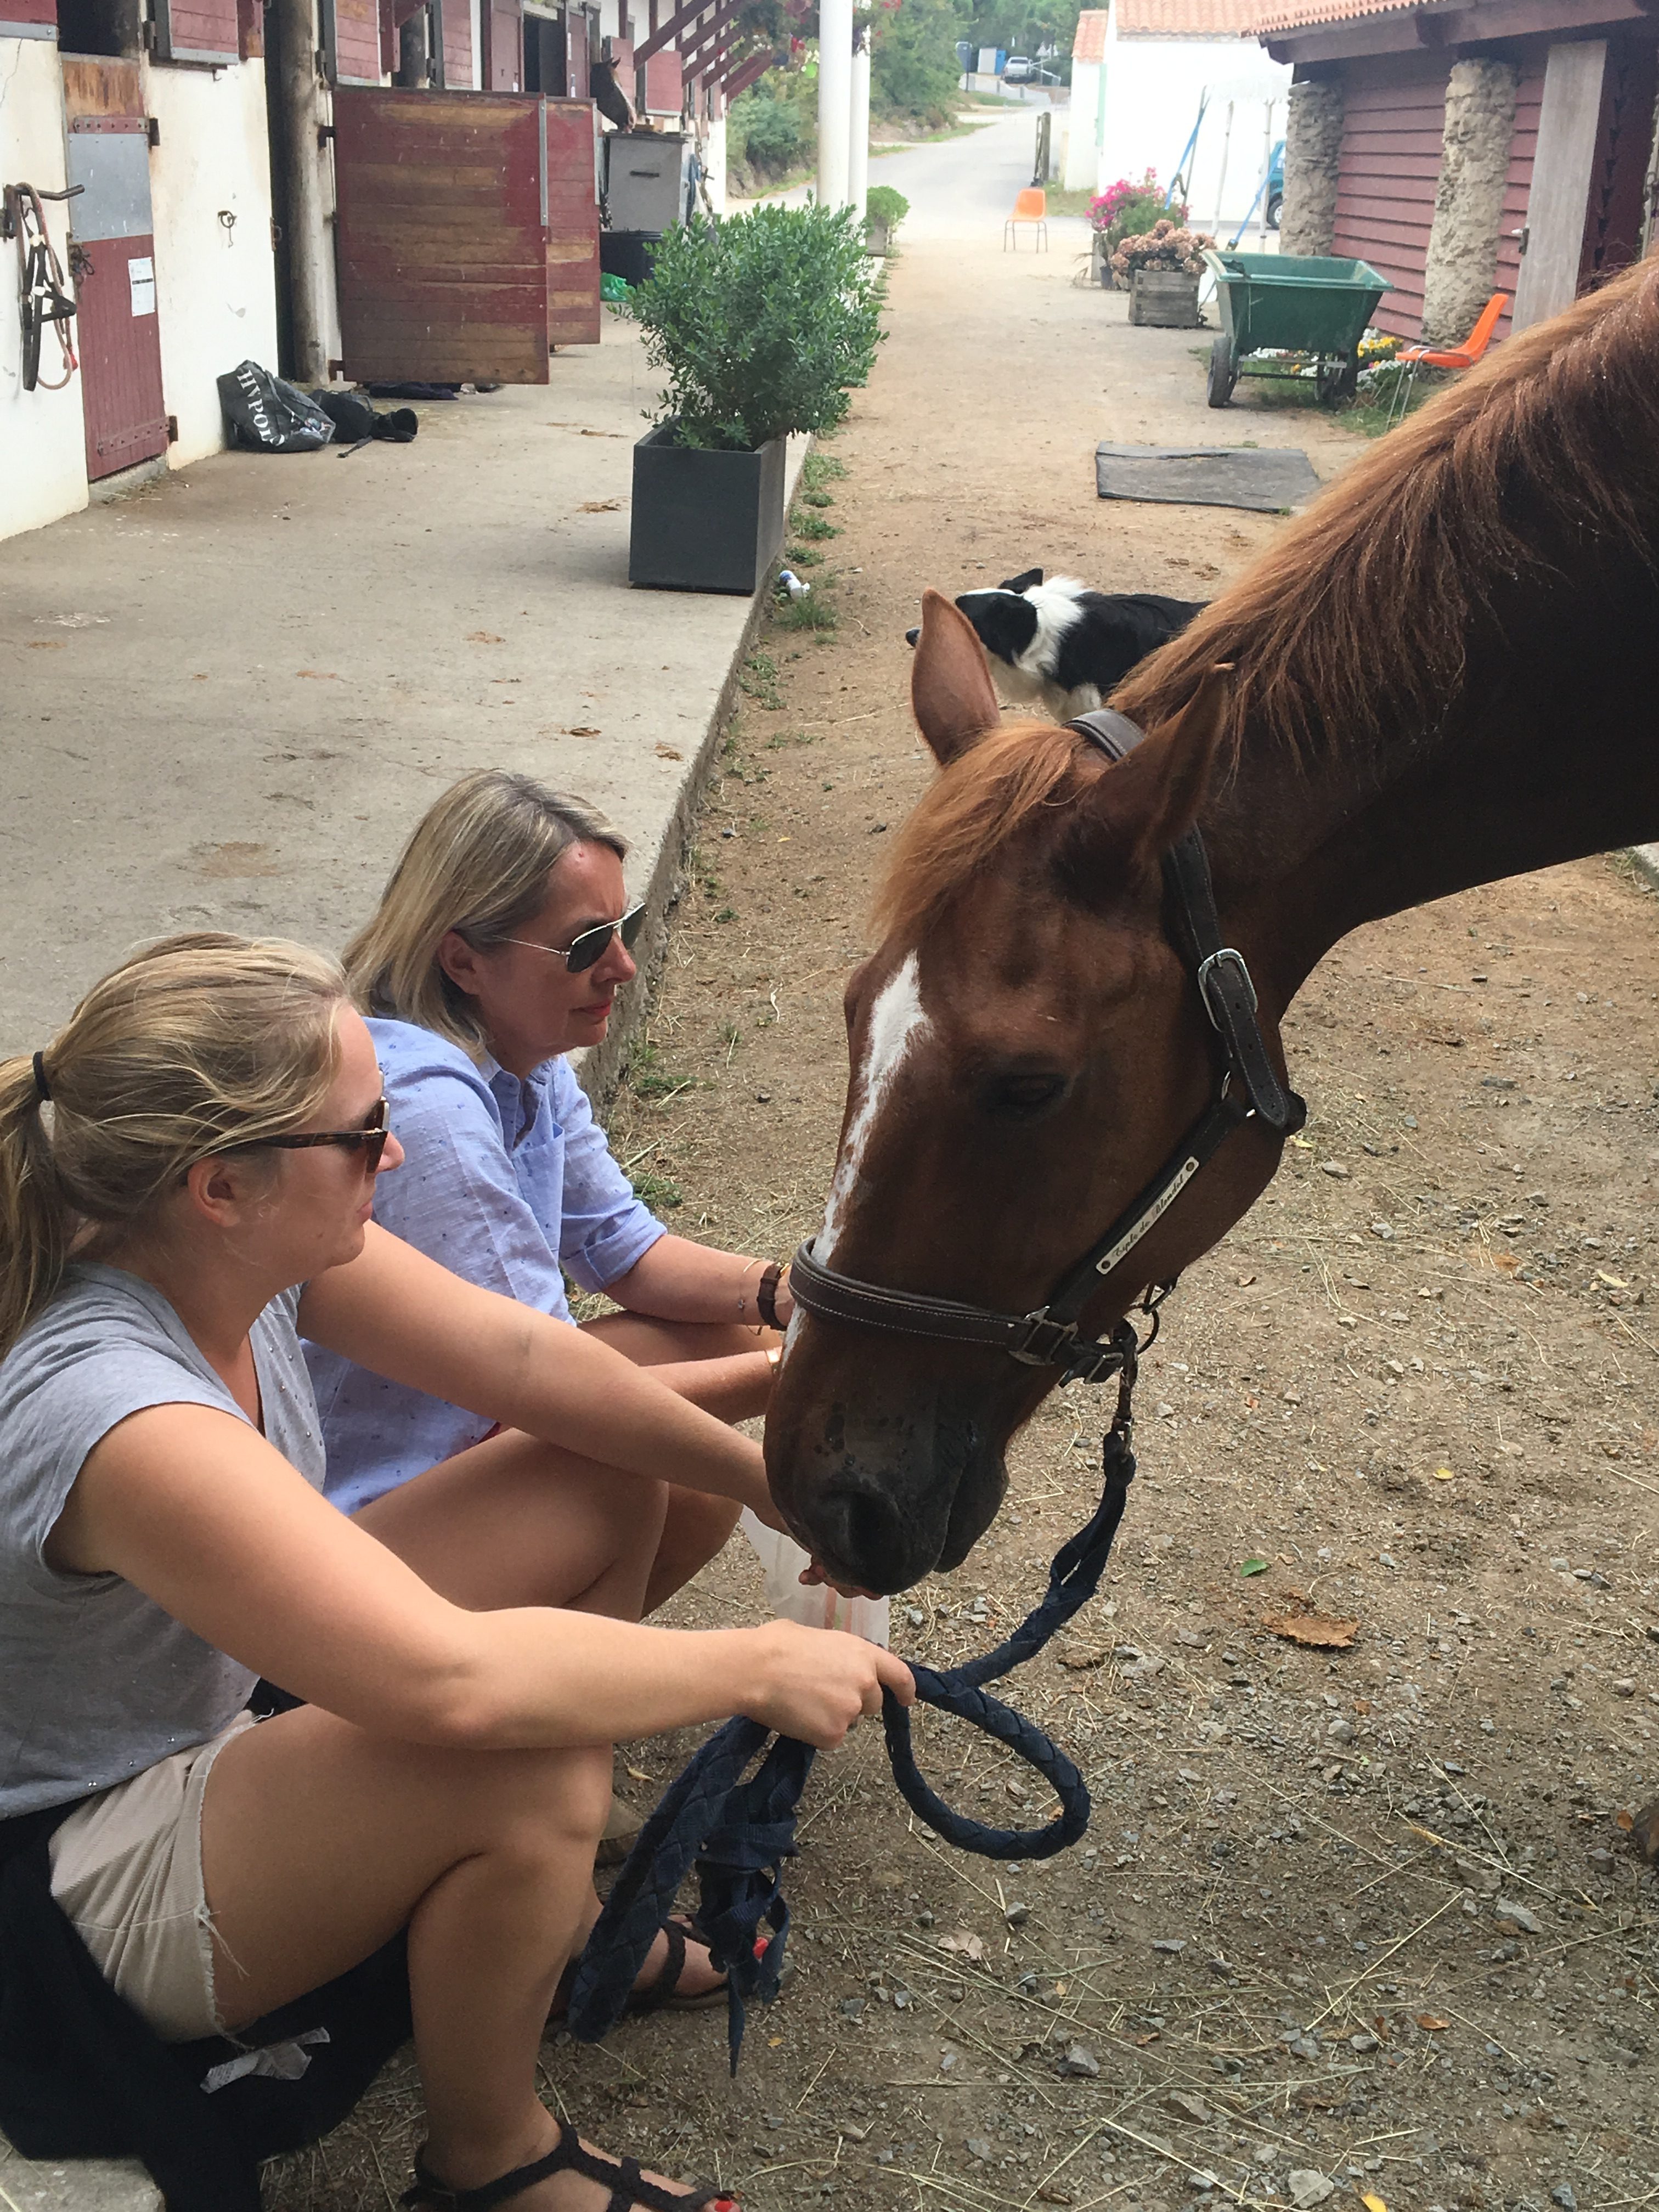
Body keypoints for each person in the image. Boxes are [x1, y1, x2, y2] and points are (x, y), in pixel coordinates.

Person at [0, 933, 912, 2212]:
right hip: (66, 1868)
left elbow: (534, 1366)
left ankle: (539, 1916)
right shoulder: (122, 1413)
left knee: (604, 1474)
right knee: (524, 1757)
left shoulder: (219, 1242)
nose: (396, 1157)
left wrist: (764, 1477)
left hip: (211, 1692)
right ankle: (492, 2158)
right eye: (364, 1133)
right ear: (222, 1185)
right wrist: (753, 1665)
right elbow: (453, 1685)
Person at [311, 772, 798, 1625]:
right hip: (356, 1506)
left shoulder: (520, 1057)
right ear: (463, 960)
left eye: (624, 928)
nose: (623, 966)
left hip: (462, 1429)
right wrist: (789, 1386)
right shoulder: (428, 1113)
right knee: (626, 1478)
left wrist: (792, 1298)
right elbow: (550, 1389)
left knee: (734, 1342)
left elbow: (622, 1248)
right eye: (585, 946)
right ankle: (532, 1680)